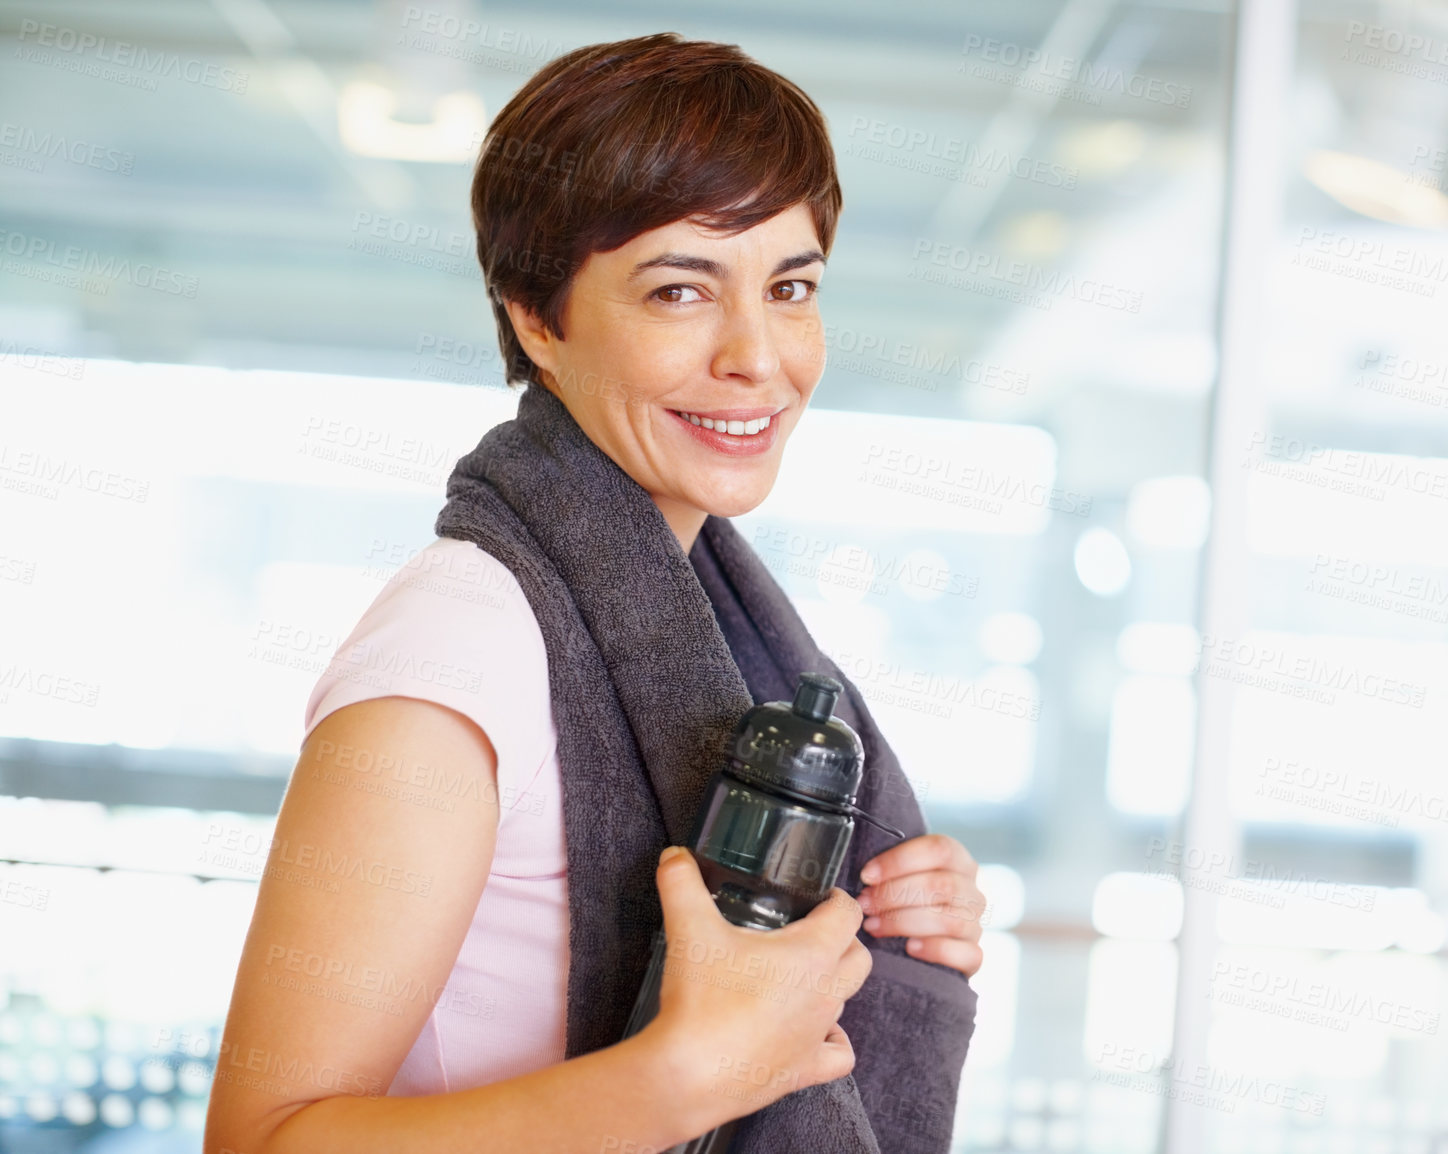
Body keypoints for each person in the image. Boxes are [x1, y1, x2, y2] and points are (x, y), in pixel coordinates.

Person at [205, 31, 984, 1154]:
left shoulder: (709, 611)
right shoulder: (456, 654)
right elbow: (259, 1142)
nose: (757, 357)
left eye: (791, 285)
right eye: (679, 289)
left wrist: (885, 910)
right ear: (537, 316)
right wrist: (673, 1081)